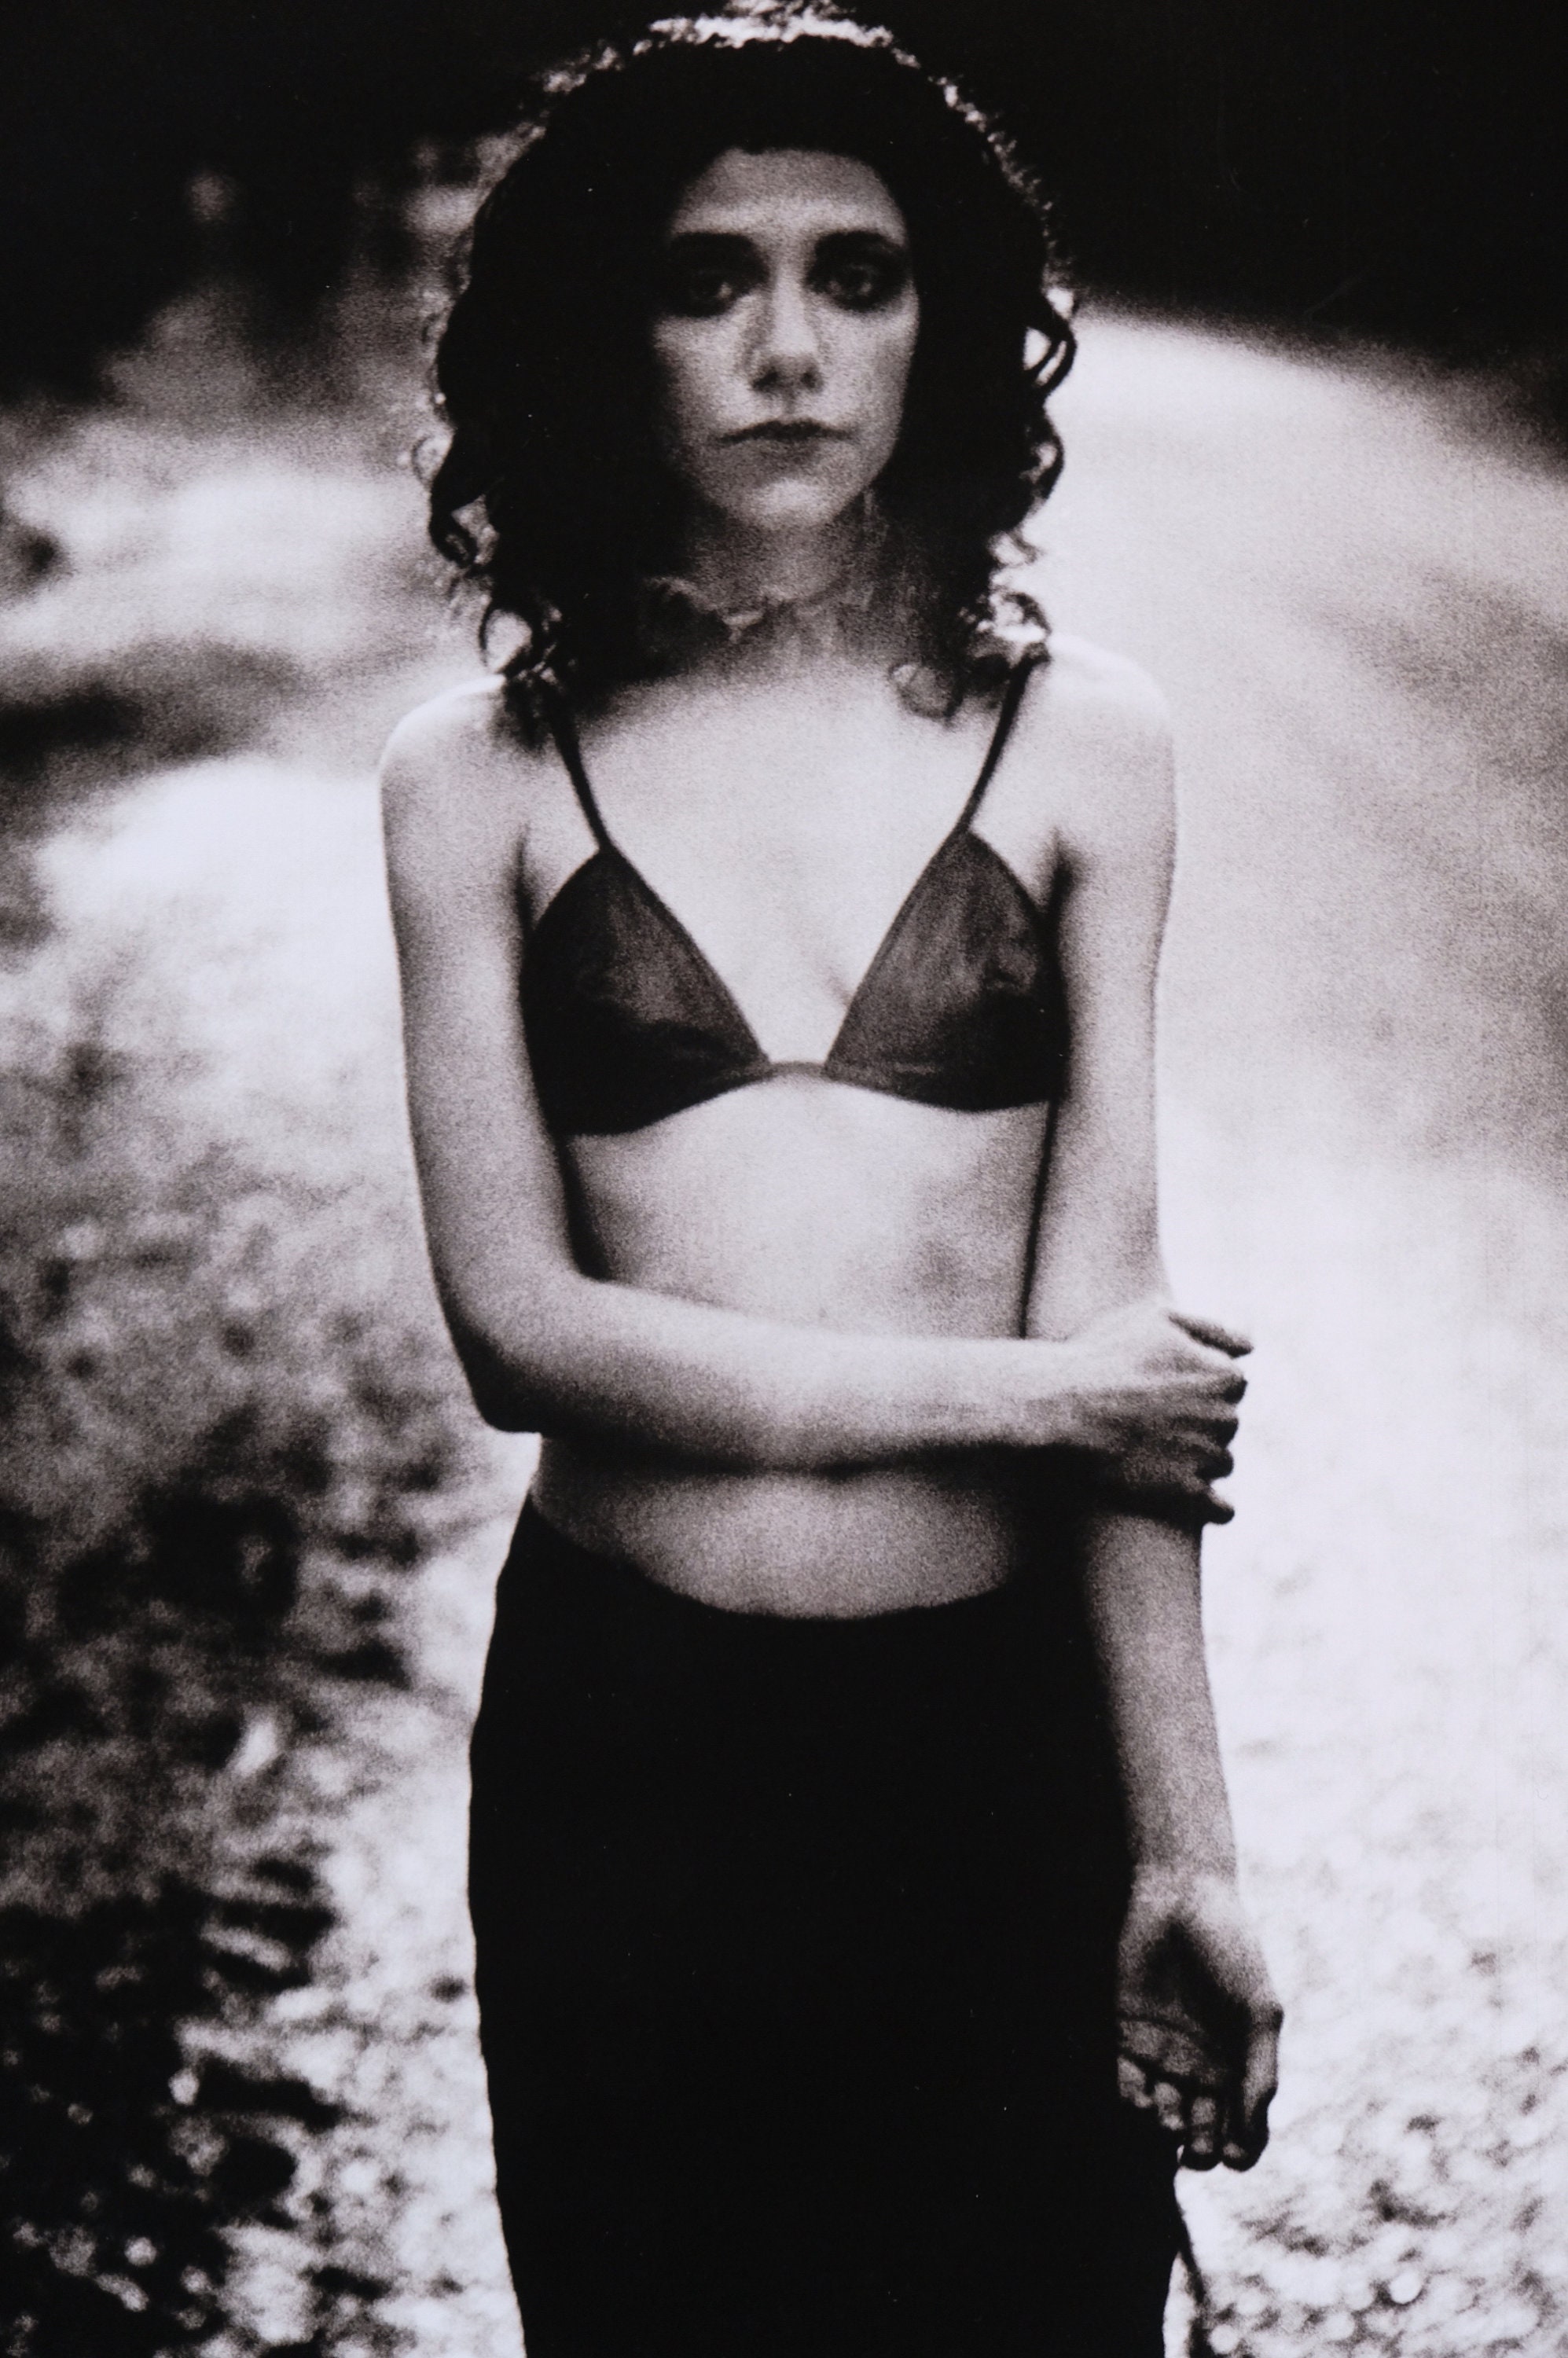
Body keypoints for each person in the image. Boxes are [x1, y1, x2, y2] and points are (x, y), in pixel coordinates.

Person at [380, 5, 1281, 2351]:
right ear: (607, 331)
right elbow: (520, 1336)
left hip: (993, 1745)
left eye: (855, 276)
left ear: (940, 324)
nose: (786, 350)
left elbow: (1110, 1310)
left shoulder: (1082, 743)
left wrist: (1187, 1850)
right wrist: (1025, 1403)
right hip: (627, 1748)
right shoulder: (476, 777)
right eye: (708, 281)